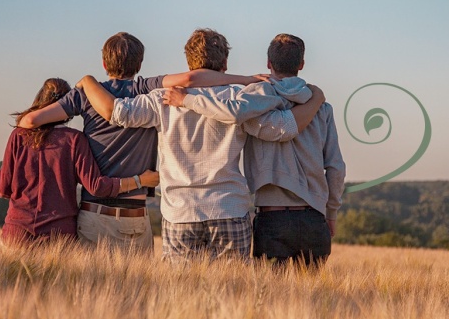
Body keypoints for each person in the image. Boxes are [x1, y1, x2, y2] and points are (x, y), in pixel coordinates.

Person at [78, 28, 325, 261]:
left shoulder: (161, 99)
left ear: (189, 63)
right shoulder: (239, 99)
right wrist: (315, 100)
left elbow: (117, 113)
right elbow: (282, 129)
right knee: (233, 294)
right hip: (229, 208)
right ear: (225, 64)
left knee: (181, 295)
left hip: (180, 212)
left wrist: (88, 82)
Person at [18, 32, 266, 252]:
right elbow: (191, 79)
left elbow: (30, 122)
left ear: (104, 64)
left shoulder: (86, 94)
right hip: (137, 215)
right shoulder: (146, 89)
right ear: (140, 64)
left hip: (94, 213)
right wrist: (246, 80)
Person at [165, 34, 345, 266]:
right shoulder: (322, 107)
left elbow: (231, 112)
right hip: (314, 218)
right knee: (311, 299)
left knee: (269, 298)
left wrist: (187, 100)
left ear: (269, 63)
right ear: (301, 64)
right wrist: (331, 213)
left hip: (272, 218)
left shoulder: (252, 101)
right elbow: (336, 167)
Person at [0, 77, 160, 246]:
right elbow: (97, 186)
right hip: (59, 236)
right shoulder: (74, 140)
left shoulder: (18, 136)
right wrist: (140, 181)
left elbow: (2, 189)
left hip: (16, 233)